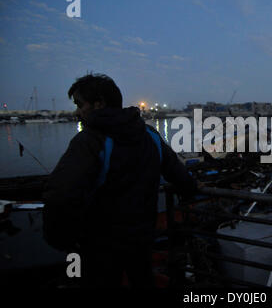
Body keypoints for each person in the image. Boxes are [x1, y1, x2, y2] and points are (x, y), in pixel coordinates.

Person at [43, 73, 198, 287]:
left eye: (80, 104)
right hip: (143, 237)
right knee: (142, 281)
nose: (77, 112)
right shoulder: (150, 135)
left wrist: (59, 238)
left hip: (99, 243)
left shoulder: (90, 140)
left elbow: (60, 194)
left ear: (99, 104)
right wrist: (192, 190)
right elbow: (180, 177)